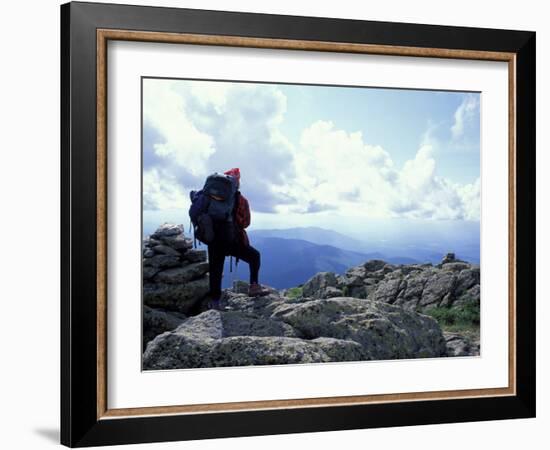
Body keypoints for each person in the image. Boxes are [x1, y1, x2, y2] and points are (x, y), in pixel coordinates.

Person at [206, 168, 269, 310]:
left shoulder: (210, 197)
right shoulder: (241, 200)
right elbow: (246, 222)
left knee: (215, 269)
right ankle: (254, 286)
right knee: (254, 256)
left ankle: (214, 302)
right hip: (232, 240)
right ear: (237, 182)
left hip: (213, 239)